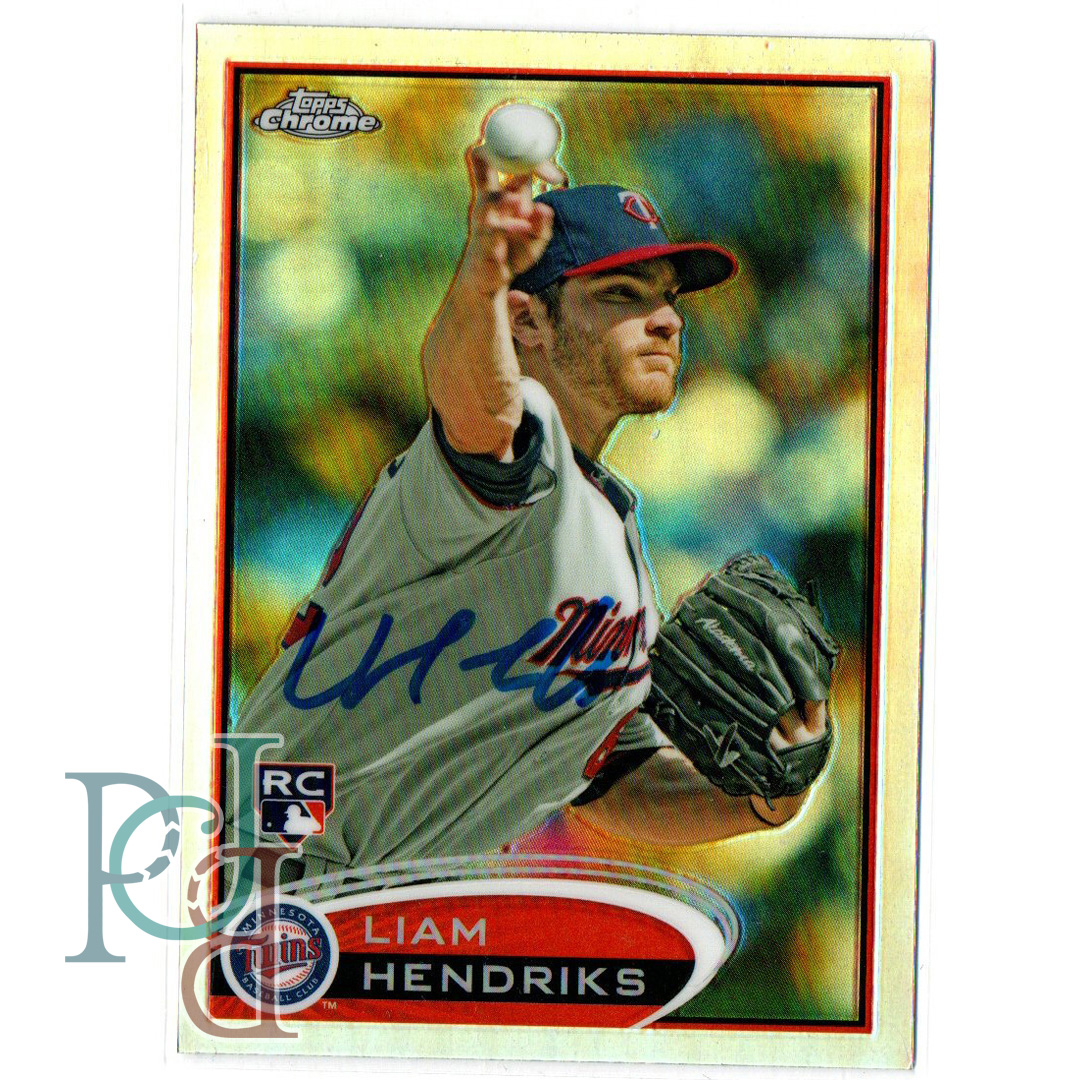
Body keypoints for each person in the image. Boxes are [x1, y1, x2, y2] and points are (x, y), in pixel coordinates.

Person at [230, 143, 829, 881]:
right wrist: (482, 278)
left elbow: (610, 783)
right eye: (623, 295)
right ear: (528, 321)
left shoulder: (616, 545)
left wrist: (767, 796)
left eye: (669, 298)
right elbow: (470, 394)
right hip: (278, 857)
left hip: (395, 897)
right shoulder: (498, 458)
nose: (668, 321)